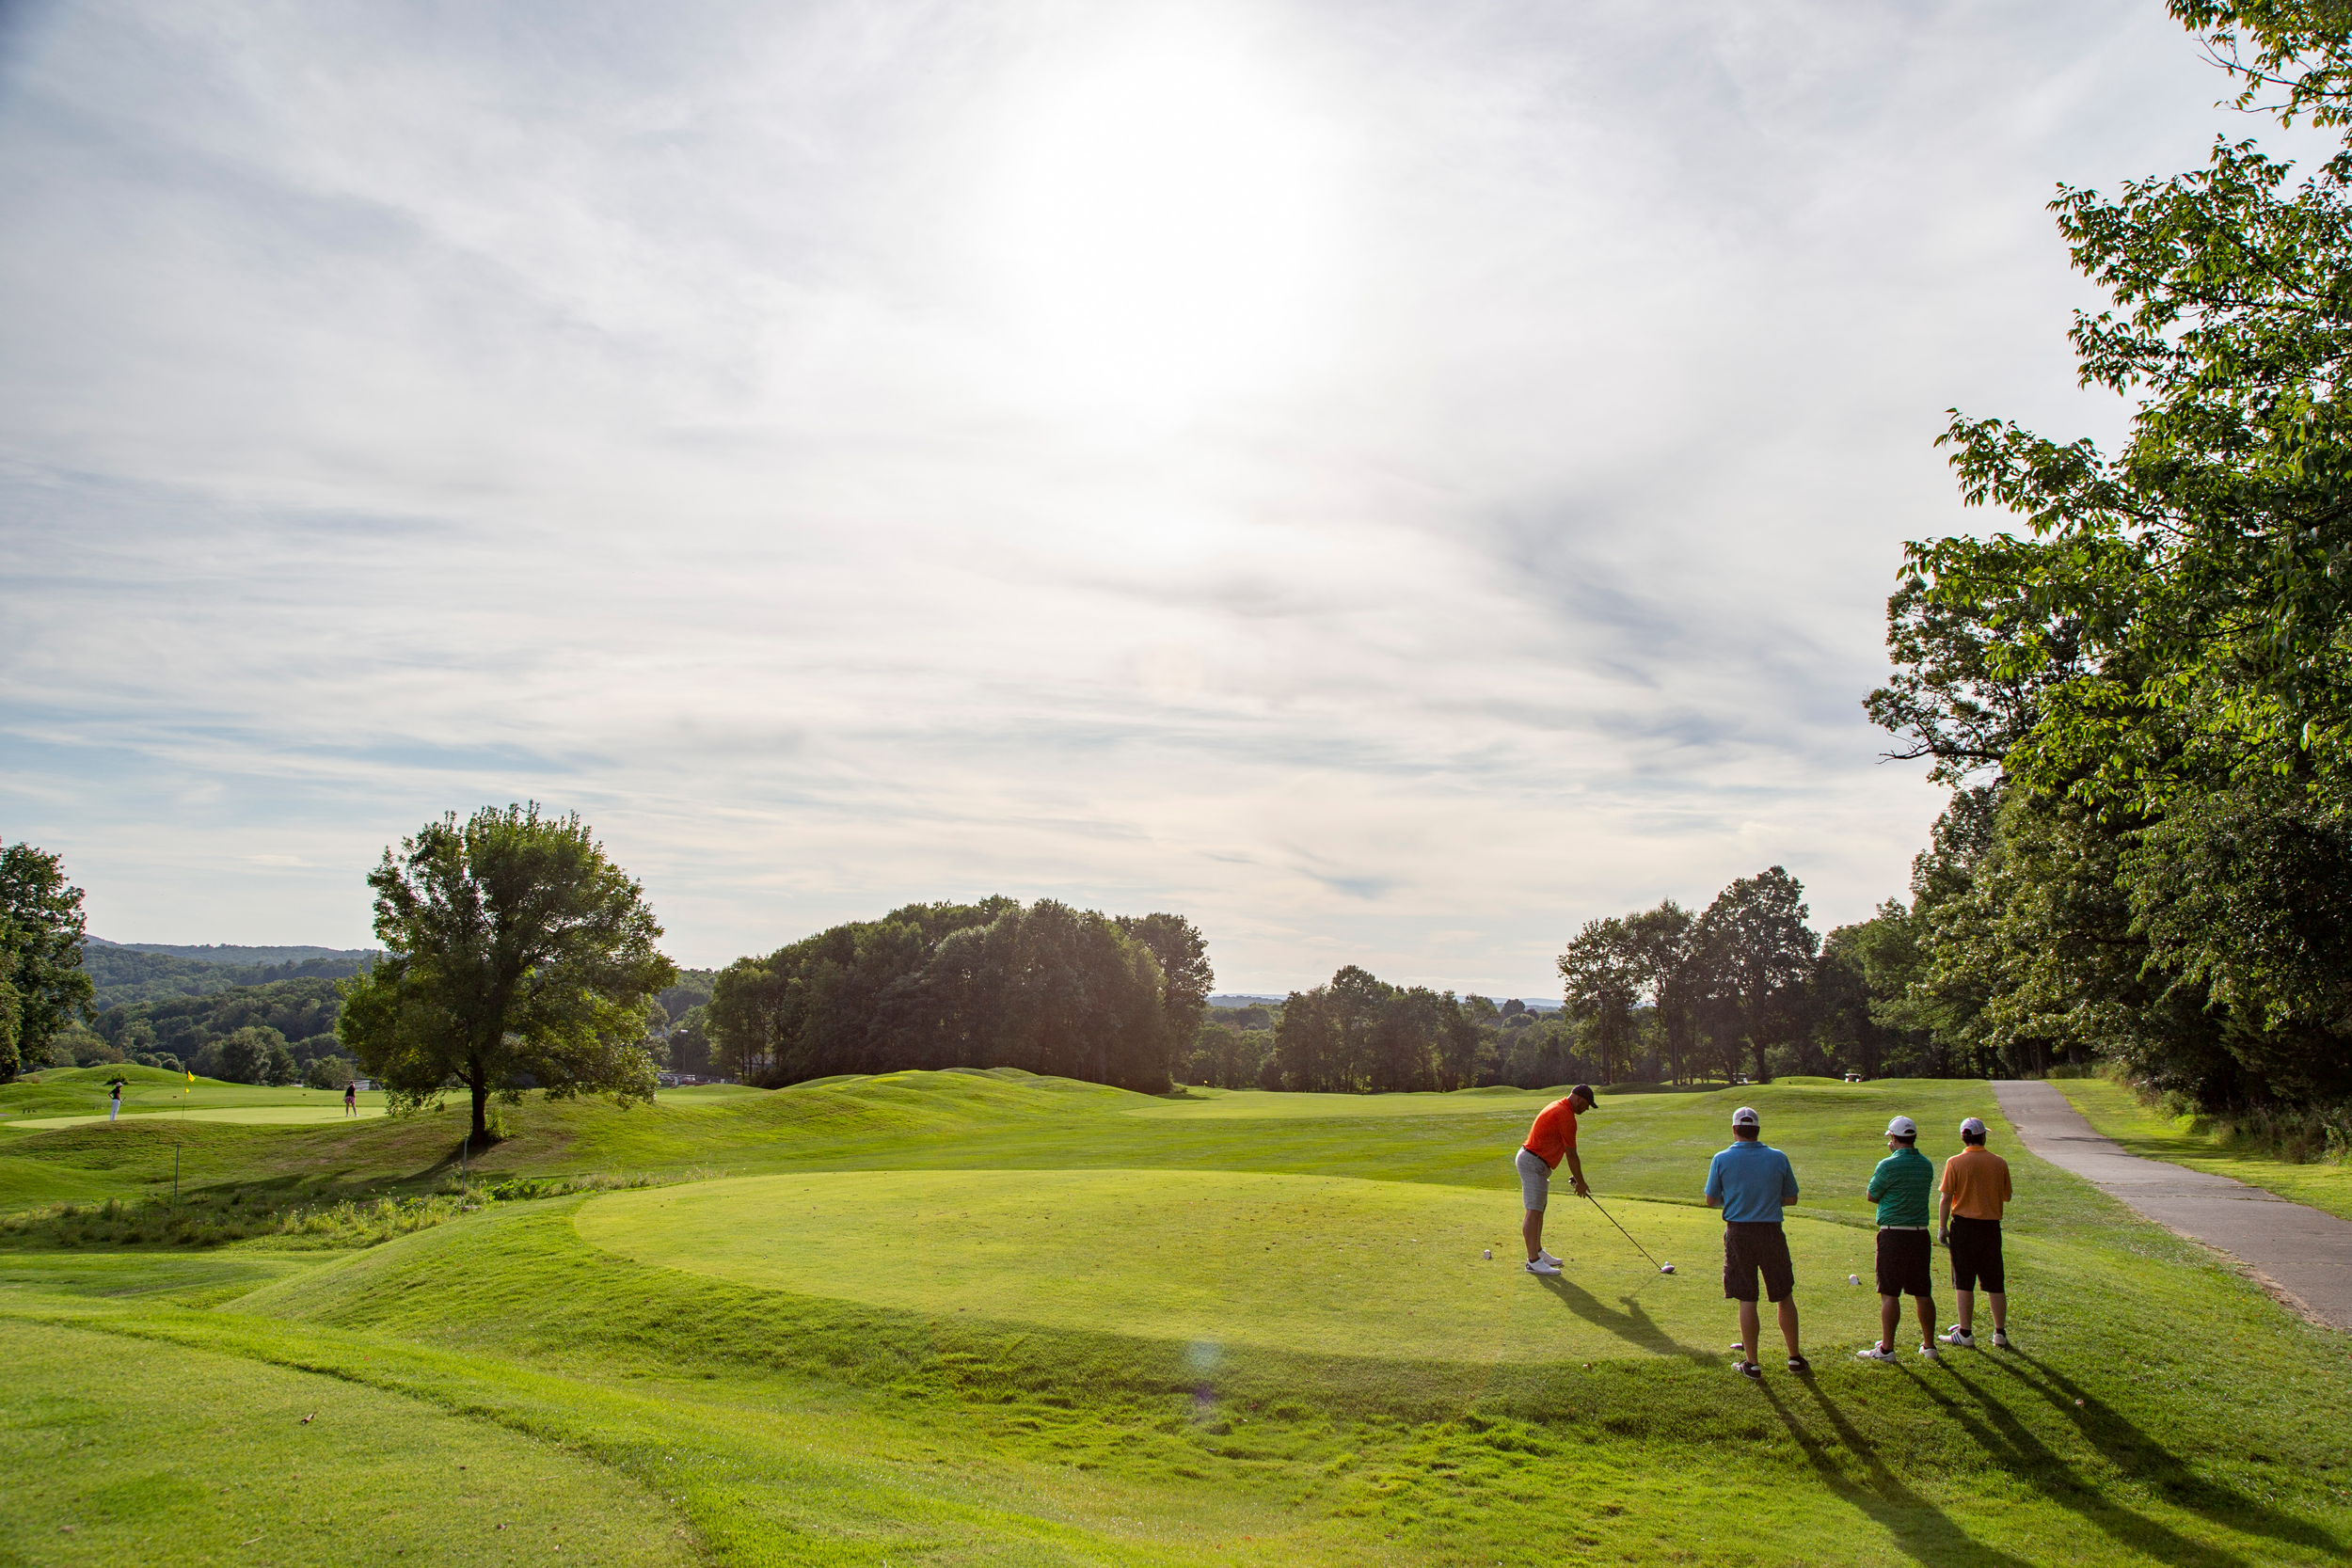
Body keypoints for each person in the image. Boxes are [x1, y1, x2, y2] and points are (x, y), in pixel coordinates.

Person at [1704, 1105, 1807, 1380]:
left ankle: (1752, 1363)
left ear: (1735, 1129)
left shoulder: (1721, 1158)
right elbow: (1791, 1198)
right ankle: (1794, 1357)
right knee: (1784, 1295)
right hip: (1771, 1231)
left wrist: (1738, 1200)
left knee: (1747, 1297)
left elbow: (1711, 1200)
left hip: (1739, 1233)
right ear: (1757, 1130)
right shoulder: (1778, 1157)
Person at [1857, 1115, 1939, 1364]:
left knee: (1890, 1293)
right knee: (1922, 1291)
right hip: (1919, 1234)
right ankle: (1929, 1345)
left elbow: (1872, 1195)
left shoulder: (1887, 1165)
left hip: (1893, 1234)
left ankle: (1887, 1349)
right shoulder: (1926, 1165)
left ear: (1893, 1138)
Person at [1939, 1115, 2014, 1349]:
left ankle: (1966, 1332)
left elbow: (1946, 1198)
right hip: (1991, 1228)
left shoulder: (1954, 1162)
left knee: (1963, 1280)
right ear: (1982, 1137)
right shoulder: (1999, 1162)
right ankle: (1999, 1333)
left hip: (1963, 1226)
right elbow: (2006, 1196)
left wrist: (1942, 1228)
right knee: (1994, 1281)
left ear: (1963, 1138)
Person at [1516, 1085, 1595, 1275]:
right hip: (1532, 1162)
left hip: (1536, 1162)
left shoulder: (1559, 1107)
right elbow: (1572, 1155)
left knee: (1539, 1209)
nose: (1587, 1109)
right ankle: (1532, 1261)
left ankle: (1538, 1252)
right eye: (1586, 1105)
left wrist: (1577, 1177)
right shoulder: (1566, 1115)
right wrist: (1581, 1182)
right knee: (1533, 1211)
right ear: (1578, 1100)